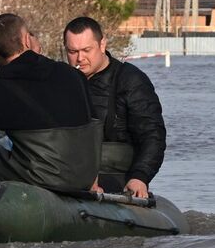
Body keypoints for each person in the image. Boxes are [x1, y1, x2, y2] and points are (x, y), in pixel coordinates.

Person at [0, 13, 98, 193]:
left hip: (44, 178)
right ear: (27, 40)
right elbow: (94, 125)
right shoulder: (72, 74)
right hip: (86, 176)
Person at [62, 16, 166, 199]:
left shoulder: (131, 81)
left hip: (116, 177)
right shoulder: (60, 82)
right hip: (69, 175)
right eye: (72, 51)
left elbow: (152, 135)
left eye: (86, 50)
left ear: (102, 45)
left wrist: (140, 177)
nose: (80, 58)